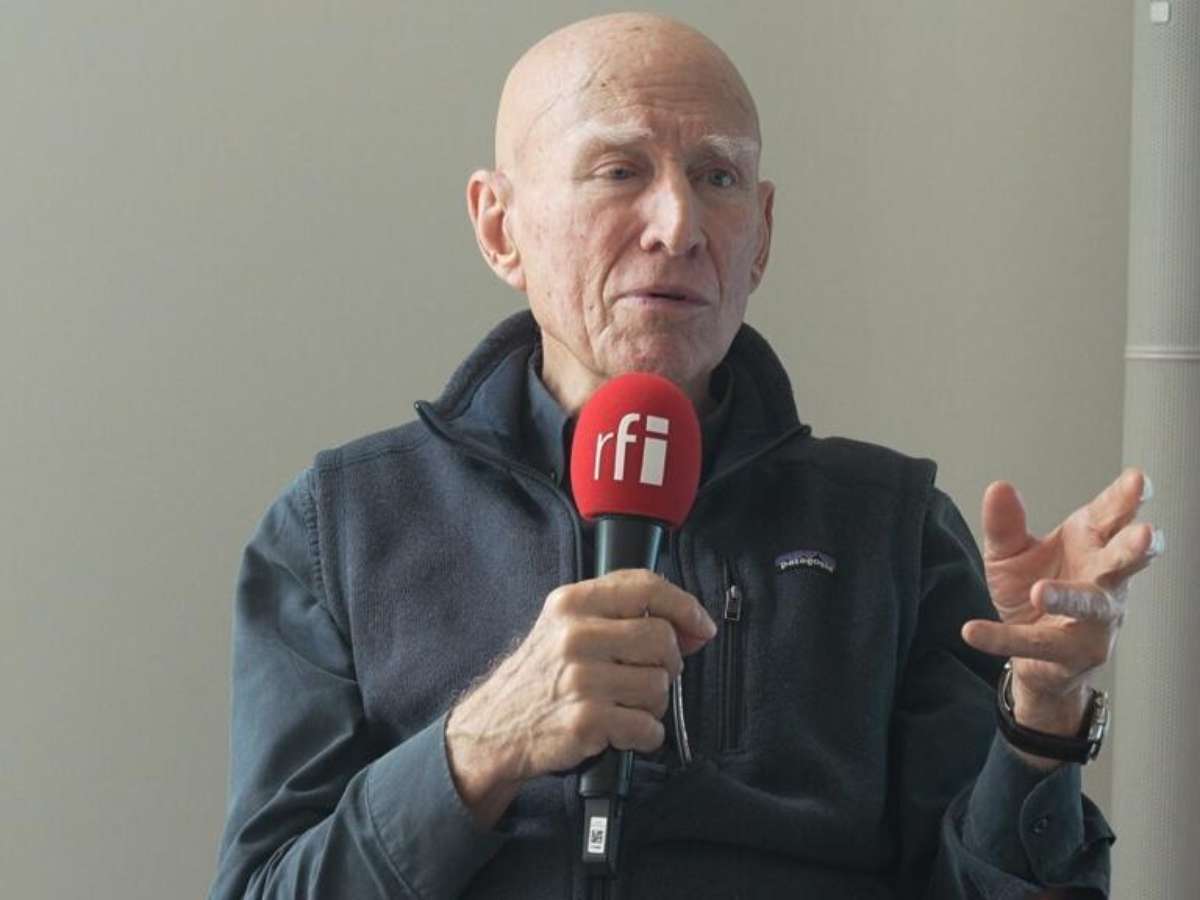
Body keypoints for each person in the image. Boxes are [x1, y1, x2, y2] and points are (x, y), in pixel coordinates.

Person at [207, 12, 1162, 899]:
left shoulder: (890, 528)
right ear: (500, 226)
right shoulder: (340, 528)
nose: (679, 225)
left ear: (762, 236)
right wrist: (477, 746)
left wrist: (1042, 718)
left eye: (718, 177)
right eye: (620, 170)